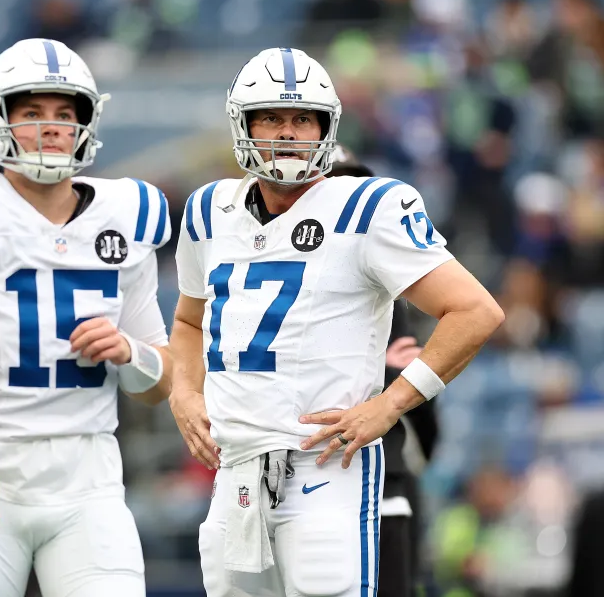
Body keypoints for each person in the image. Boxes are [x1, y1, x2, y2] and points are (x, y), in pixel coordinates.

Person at [168, 47, 504, 597]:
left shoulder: (366, 207)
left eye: (303, 119)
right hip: (236, 474)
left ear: (326, 128)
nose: (288, 132)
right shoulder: (210, 210)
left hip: (326, 470)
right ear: (243, 124)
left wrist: (391, 404)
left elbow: (475, 311)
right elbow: (187, 321)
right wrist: (184, 391)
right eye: (272, 116)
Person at [0, 38, 173, 597]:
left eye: (64, 114)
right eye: (32, 113)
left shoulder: (128, 215)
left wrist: (132, 353)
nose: (51, 127)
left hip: (89, 473)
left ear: (86, 125)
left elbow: (159, 381)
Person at [329, 145, 440, 597]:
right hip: (287, 478)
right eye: (336, 184)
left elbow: (427, 432)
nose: (348, 195)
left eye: (355, 184)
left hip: (381, 485)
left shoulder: (386, 288)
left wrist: (400, 382)